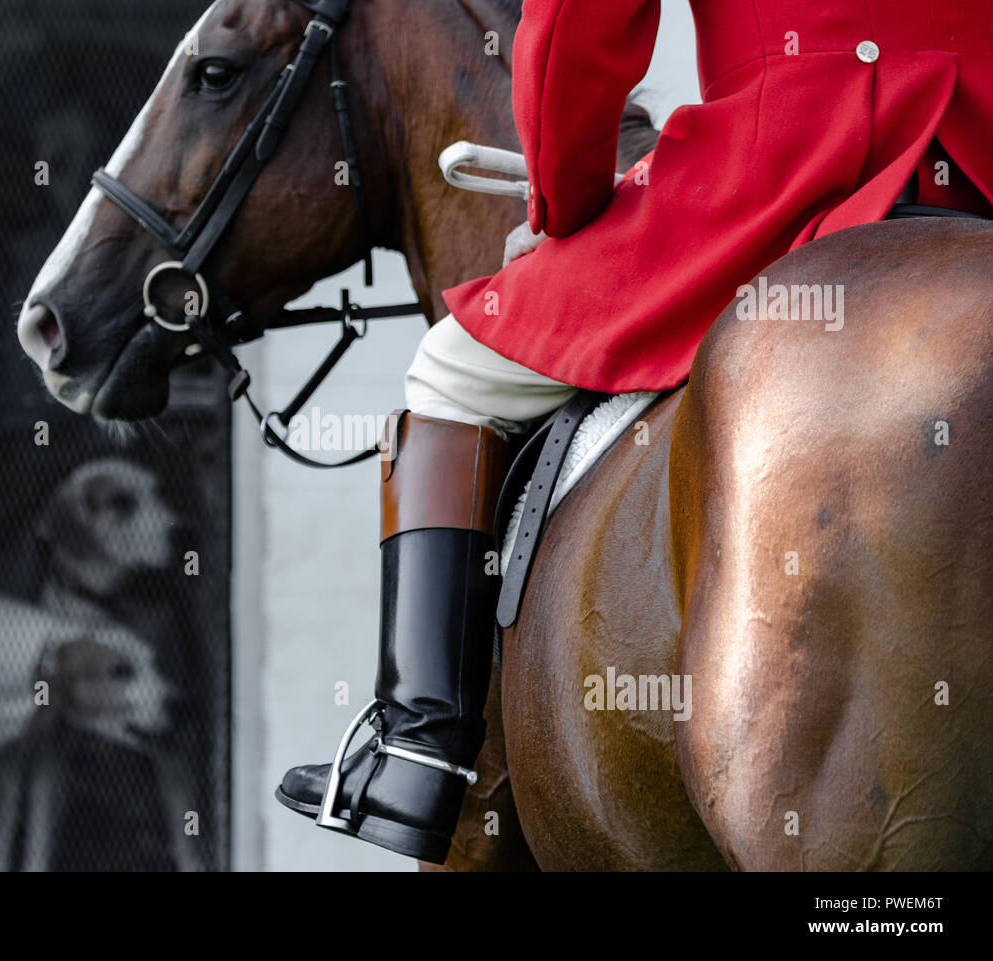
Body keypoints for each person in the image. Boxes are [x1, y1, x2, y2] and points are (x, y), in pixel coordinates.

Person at [276, 0, 993, 863]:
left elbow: (581, 24)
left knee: (450, 371)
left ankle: (417, 755)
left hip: (782, 168)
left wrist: (564, 204)